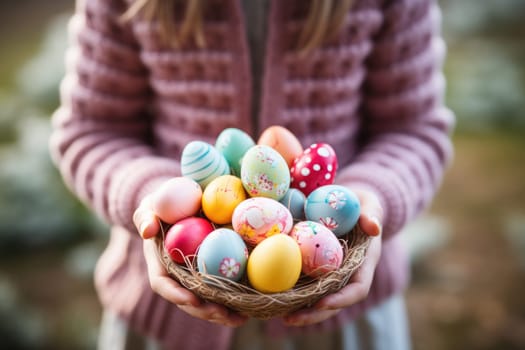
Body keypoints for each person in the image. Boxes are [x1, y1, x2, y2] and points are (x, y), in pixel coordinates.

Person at [50, 0, 454, 349]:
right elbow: (91, 130)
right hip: (168, 309)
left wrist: (369, 199)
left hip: (340, 311)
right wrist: (157, 199)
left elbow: (413, 129)